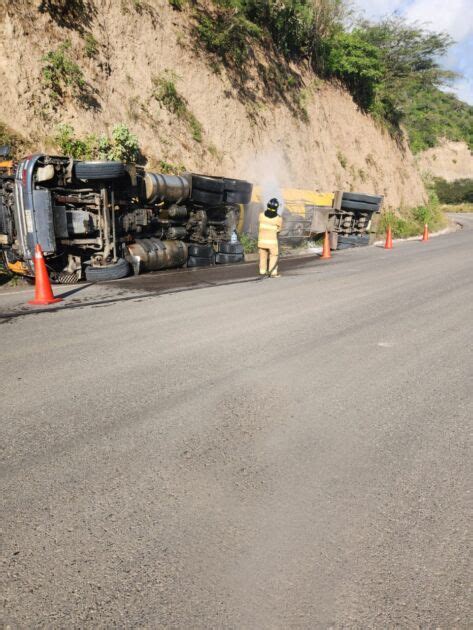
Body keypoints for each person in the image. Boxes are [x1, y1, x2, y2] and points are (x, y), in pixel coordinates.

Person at [258, 198, 283, 277]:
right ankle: (273, 273)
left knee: (263, 256)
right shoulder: (278, 218)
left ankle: (262, 271)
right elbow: (279, 229)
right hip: (272, 243)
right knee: (273, 256)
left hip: (261, 242)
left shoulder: (261, 215)